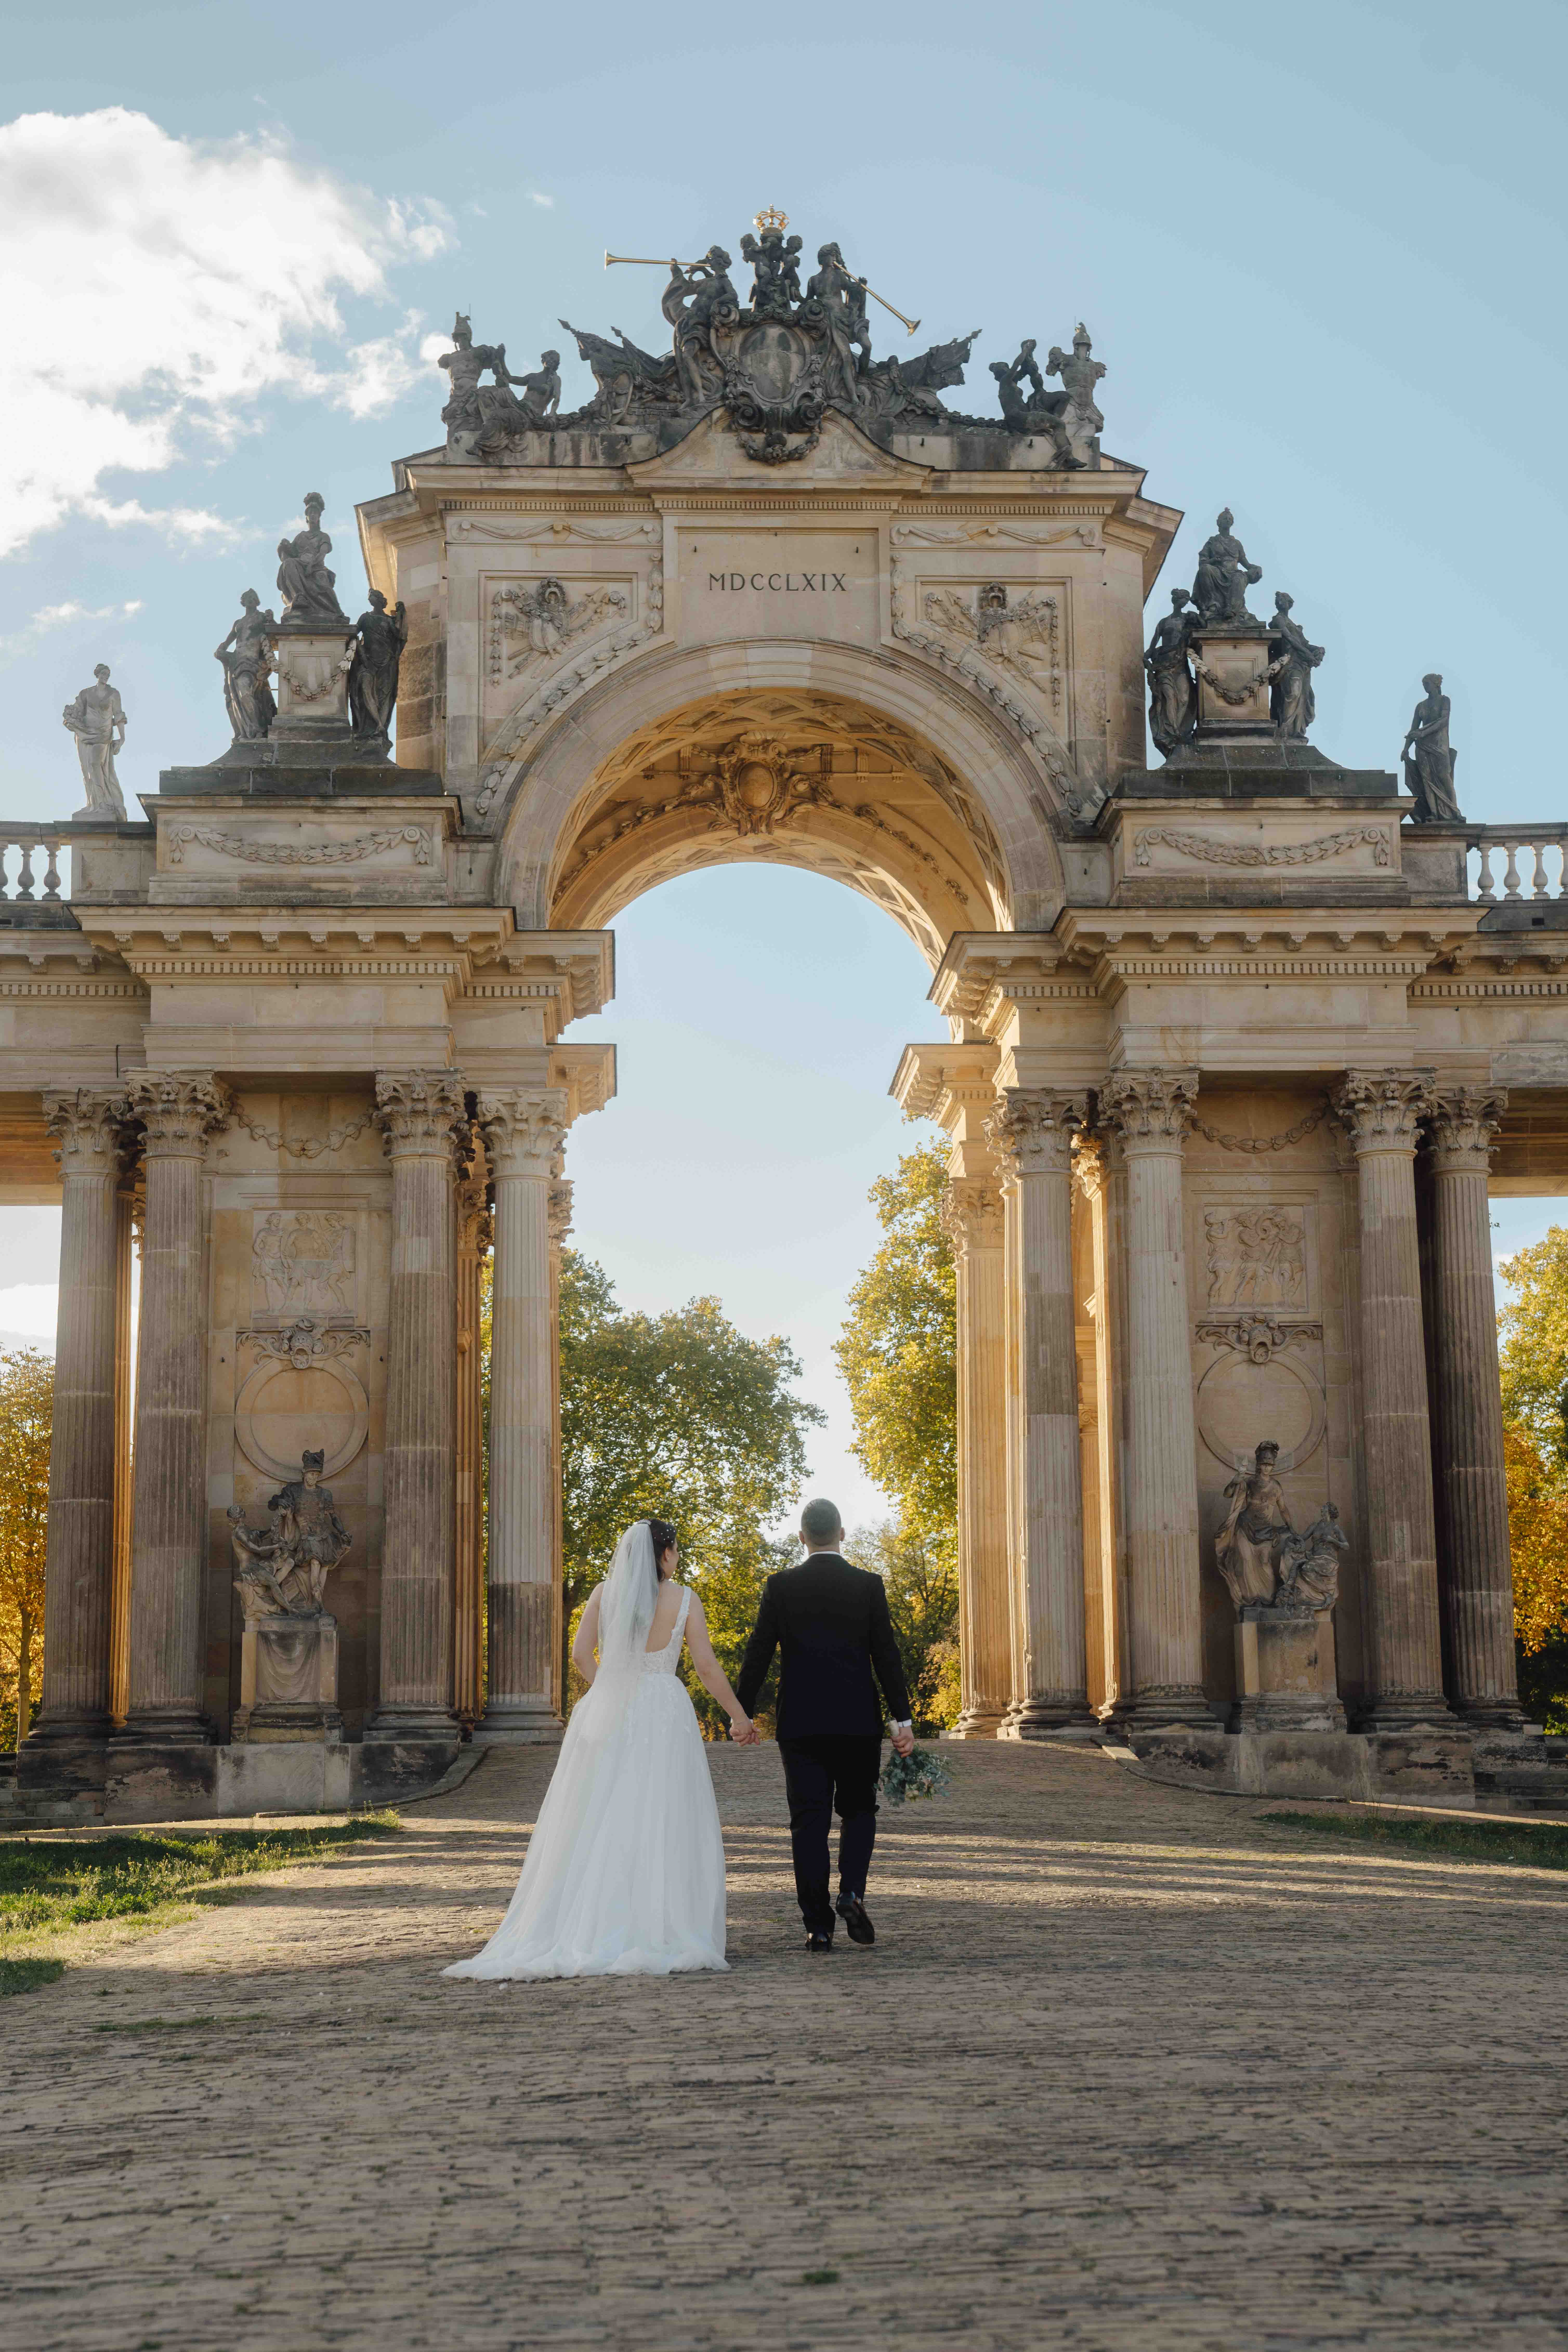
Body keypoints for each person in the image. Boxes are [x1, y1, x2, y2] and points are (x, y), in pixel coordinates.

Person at [443, 1519, 751, 1981]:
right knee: (661, 1811)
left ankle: (593, 1921)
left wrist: (610, 1687)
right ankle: (661, 1923)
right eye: (675, 1549)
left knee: (599, 1809)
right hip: (664, 1711)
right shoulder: (684, 1599)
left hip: (611, 1708)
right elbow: (705, 1666)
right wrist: (738, 1716)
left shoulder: (605, 1594)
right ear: (665, 1553)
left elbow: (580, 1654)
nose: (677, 1557)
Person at [734, 1498, 915, 1954]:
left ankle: (818, 1927)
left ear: (801, 1537)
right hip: (857, 1722)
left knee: (808, 1823)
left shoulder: (780, 1586)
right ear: (842, 1534)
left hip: (801, 1724)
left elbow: (758, 1653)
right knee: (859, 1811)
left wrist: (741, 1714)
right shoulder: (868, 1585)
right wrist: (902, 1720)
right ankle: (851, 1892)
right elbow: (886, 1655)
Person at [61, 664, 128, 819]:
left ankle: (105, 804)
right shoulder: (86, 694)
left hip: (104, 735)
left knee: (95, 765)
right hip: (85, 734)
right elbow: (76, 712)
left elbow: (119, 716)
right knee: (88, 769)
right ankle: (95, 803)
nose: (107, 676)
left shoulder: (114, 694)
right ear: (97, 675)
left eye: (108, 674)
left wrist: (122, 738)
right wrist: (71, 719)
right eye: (104, 674)